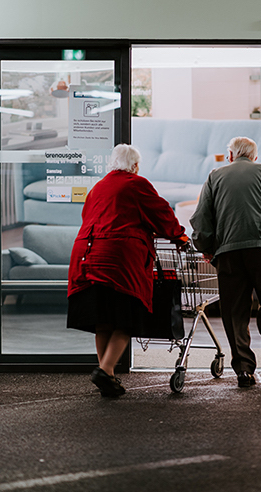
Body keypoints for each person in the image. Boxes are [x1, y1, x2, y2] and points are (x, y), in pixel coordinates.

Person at [67, 144, 189, 397]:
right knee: (127, 319)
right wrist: (180, 237)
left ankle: (107, 375)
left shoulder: (98, 187)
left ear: (112, 163)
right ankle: (105, 370)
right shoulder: (136, 184)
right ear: (134, 166)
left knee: (103, 320)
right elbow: (161, 213)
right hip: (117, 258)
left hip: (86, 256)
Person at [190, 136, 261, 388]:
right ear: (254, 157)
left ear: (230, 155)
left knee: (234, 310)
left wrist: (206, 247)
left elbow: (202, 217)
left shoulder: (215, 176)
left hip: (229, 252)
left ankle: (243, 369)